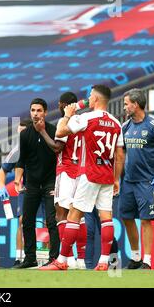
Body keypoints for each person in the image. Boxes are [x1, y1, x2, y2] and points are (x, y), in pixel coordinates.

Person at [42, 84, 124, 271]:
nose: (88, 98)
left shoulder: (87, 118)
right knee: (106, 217)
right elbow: (120, 156)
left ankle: (62, 260)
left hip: (89, 174)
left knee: (74, 215)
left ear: (95, 98)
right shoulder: (116, 123)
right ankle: (104, 262)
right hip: (107, 175)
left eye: (90, 95)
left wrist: (67, 115)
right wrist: (116, 178)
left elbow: (60, 132)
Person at [119, 89, 154, 269]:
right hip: (128, 181)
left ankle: (147, 261)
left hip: (147, 182)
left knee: (145, 220)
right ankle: (135, 258)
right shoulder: (125, 126)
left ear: (136, 104)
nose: (124, 107)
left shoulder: (153, 125)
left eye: (126, 103)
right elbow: (122, 153)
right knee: (126, 217)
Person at [36, 92, 87, 269]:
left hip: (66, 171)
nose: (58, 106)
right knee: (78, 217)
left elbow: (57, 148)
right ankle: (81, 260)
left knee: (62, 215)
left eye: (60, 104)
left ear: (64, 105)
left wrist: (42, 131)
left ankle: (68, 259)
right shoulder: (83, 121)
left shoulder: (65, 122)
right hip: (81, 172)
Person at [14, 98, 60, 269]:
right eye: (33, 110)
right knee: (27, 221)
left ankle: (54, 258)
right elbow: (21, 160)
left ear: (46, 112)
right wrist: (18, 179)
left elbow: (58, 152)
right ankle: (30, 258)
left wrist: (57, 184)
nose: (35, 113)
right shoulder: (24, 134)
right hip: (31, 184)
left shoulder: (53, 130)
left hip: (50, 183)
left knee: (51, 221)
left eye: (39, 110)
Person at [0, 118, 32, 267]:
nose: (20, 134)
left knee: (46, 223)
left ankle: (47, 258)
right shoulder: (17, 150)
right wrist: (1, 186)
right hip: (26, 190)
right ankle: (19, 257)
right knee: (22, 223)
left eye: (23, 131)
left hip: (44, 189)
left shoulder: (42, 146)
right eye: (19, 131)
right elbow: (2, 171)